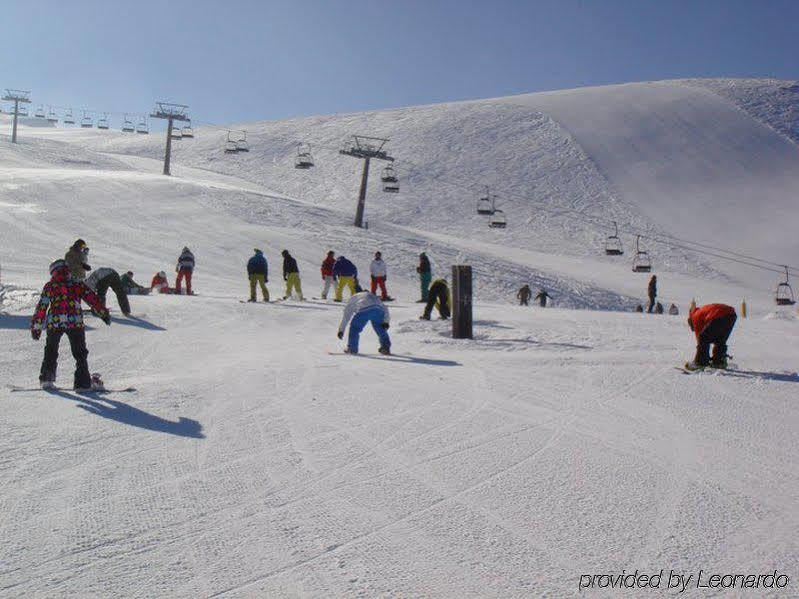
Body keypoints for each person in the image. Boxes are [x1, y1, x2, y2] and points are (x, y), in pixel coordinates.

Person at [31, 259, 110, 390]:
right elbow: (92, 298)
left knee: (51, 350)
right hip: (75, 323)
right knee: (80, 353)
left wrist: (36, 327)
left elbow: (41, 307)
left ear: (53, 272)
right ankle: (82, 383)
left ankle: (47, 379)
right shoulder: (76, 284)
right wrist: (103, 313)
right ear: (67, 270)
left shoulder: (50, 286)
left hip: (55, 323)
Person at [684, 303, 737, 370]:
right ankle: (718, 362)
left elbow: (700, 337)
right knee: (720, 339)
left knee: (703, 338)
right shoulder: (701, 311)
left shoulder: (695, 317)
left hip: (719, 315)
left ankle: (700, 363)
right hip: (731, 315)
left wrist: (700, 351)